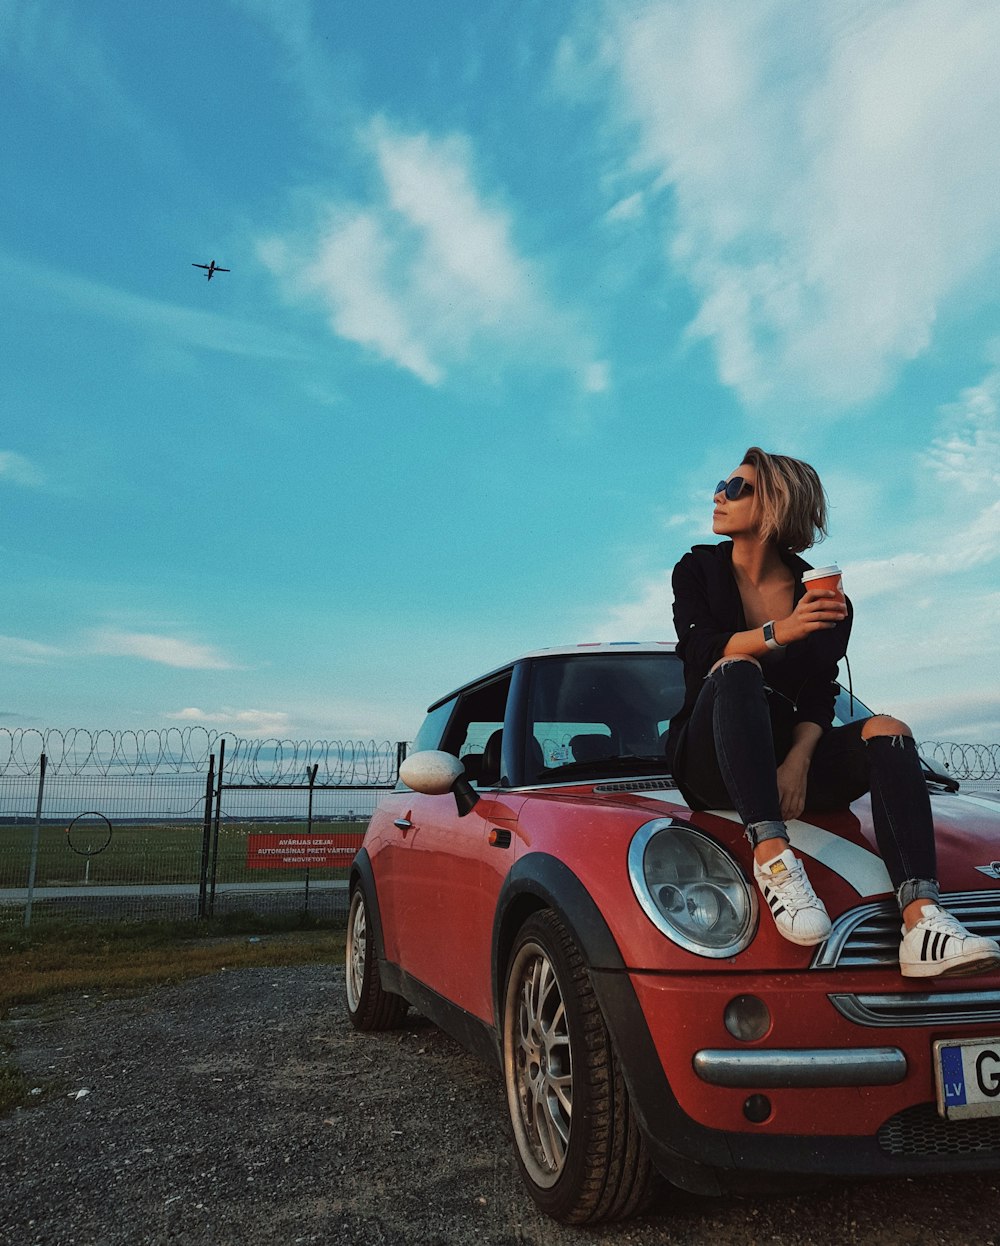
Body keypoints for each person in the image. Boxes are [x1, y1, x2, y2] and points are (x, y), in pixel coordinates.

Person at [665, 445, 1000, 978]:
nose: (718, 496)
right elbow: (704, 651)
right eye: (721, 485)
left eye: (736, 488)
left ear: (775, 504)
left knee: (889, 730)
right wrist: (783, 632)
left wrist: (798, 761)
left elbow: (820, 691)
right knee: (736, 667)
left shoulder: (820, 594)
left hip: (789, 765)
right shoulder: (697, 570)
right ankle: (774, 858)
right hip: (712, 762)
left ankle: (923, 921)